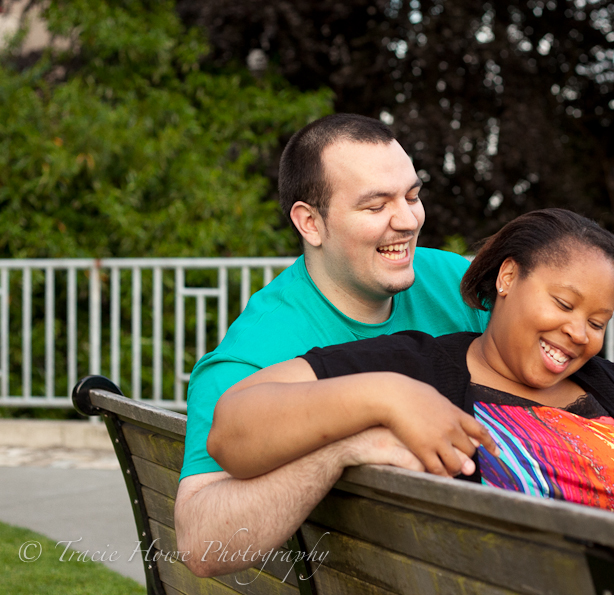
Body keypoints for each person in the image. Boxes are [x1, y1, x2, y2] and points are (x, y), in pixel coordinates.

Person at [209, 209, 614, 531]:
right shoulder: (415, 368)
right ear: (507, 278)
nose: (579, 332)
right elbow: (232, 425)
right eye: (563, 303)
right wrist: (388, 396)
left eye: (597, 320)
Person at [175, 114, 494, 577]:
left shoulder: (454, 283)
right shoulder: (258, 351)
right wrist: (343, 446)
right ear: (310, 223)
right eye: (375, 206)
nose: (407, 221)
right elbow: (203, 543)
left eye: (412, 196)